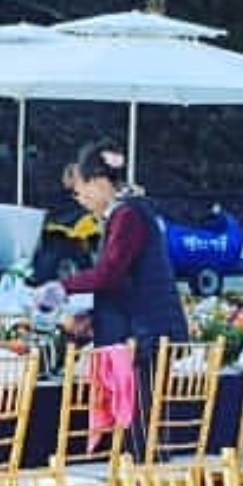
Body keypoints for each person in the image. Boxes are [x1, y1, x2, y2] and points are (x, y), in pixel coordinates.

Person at [38, 140, 187, 357]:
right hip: (145, 333)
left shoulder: (128, 215)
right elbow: (127, 281)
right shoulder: (130, 212)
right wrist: (95, 317)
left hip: (146, 339)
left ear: (98, 182)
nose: (82, 201)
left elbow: (109, 273)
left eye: (81, 191)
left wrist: (62, 287)